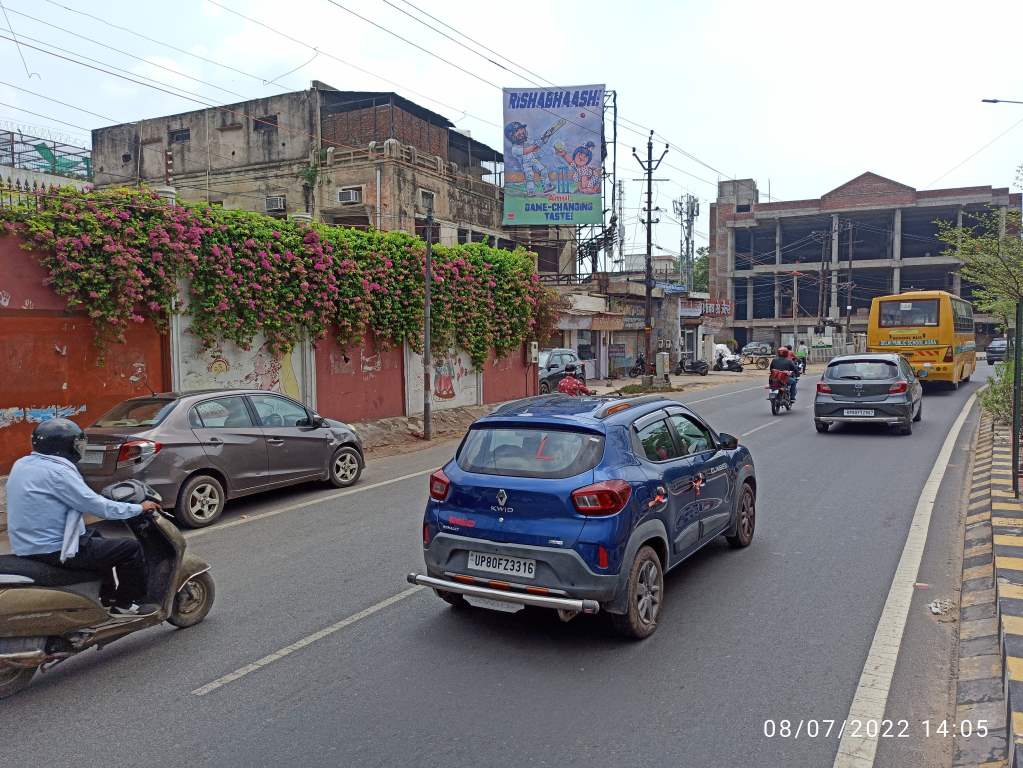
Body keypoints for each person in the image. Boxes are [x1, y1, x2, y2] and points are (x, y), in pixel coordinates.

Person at [6, 418, 161, 616]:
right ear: (63, 446)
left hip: (27, 544)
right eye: (76, 444)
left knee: (96, 537)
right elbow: (98, 506)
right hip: (53, 549)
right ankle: (125, 603)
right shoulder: (58, 472)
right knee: (130, 548)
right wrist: (139, 508)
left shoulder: (22, 464)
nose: (79, 448)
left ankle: (105, 596)